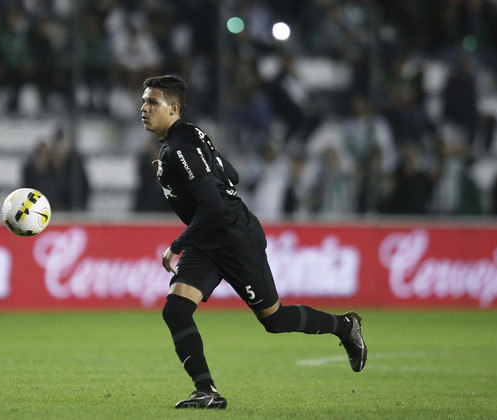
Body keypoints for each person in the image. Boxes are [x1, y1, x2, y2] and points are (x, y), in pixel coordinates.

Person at [140, 75, 366, 409]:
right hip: (208, 239)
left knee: (275, 320)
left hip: (234, 237)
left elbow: (214, 206)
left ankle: (344, 326)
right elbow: (231, 175)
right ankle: (206, 391)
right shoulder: (189, 137)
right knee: (176, 309)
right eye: (143, 101)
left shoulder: (179, 147)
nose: (144, 108)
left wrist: (176, 245)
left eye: (152, 102)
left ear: (173, 108)